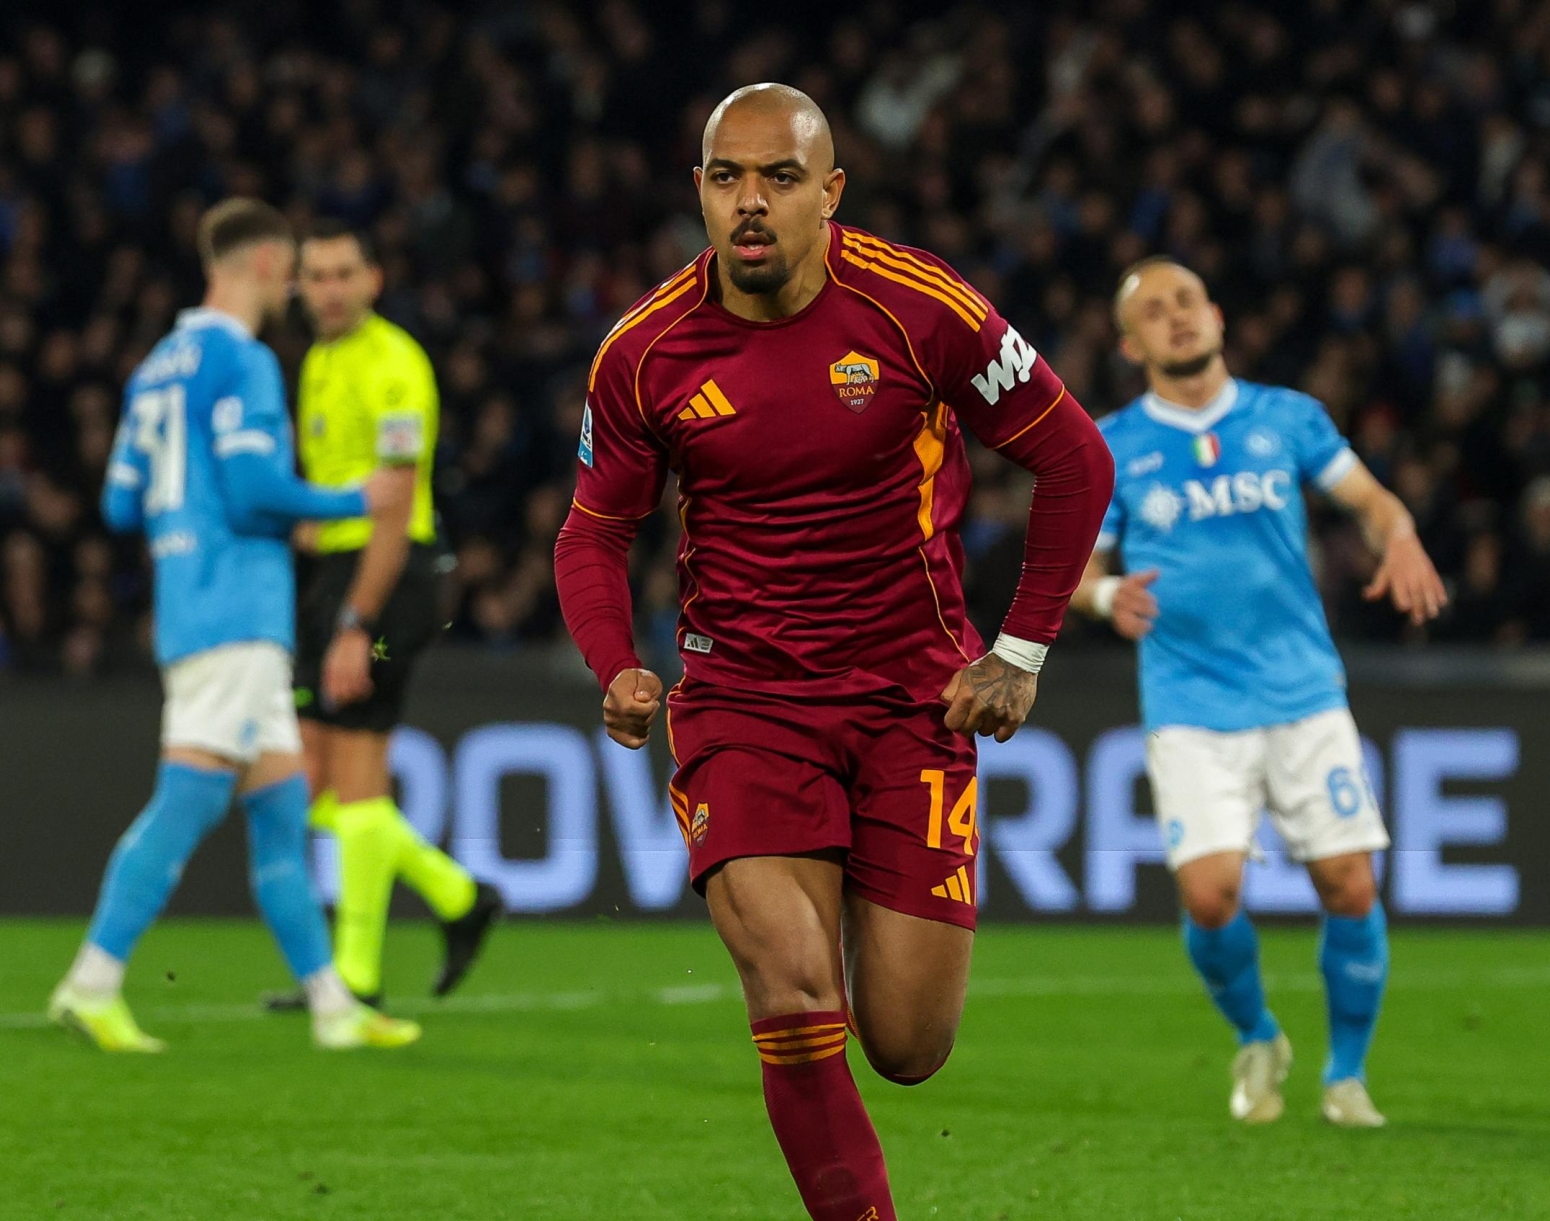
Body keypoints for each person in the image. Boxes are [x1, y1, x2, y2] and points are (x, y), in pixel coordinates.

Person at [553, 84, 1112, 1221]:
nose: (750, 204)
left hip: (915, 700)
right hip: (742, 702)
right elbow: (594, 528)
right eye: (727, 178)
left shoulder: (919, 308)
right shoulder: (643, 352)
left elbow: (1076, 461)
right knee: (793, 988)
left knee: (907, 1046)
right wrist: (615, 662)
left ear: (830, 193)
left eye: (780, 178)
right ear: (700, 192)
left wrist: (1020, 651)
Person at [1074, 257, 1446, 1128]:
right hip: (1190, 698)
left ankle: (1346, 1074)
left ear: (1216, 315)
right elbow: (1075, 571)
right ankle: (1258, 1032)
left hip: (1302, 689)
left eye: (1187, 302)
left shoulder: (1289, 418)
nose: (1176, 319)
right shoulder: (1113, 445)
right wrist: (1102, 596)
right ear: (1131, 344)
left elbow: (1372, 499)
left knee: (1350, 884)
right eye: (1154, 312)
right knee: (1210, 896)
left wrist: (1401, 535)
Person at [46, 199, 418, 1052]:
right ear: (261, 266)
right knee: (188, 798)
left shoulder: (154, 368)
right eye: (290, 272)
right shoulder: (242, 360)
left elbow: (116, 500)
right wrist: (350, 498)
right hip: (237, 611)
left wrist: (190, 527)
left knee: (283, 808)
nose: (292, 289)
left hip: (191, 597)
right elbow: (253, 489)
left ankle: (332, 1007)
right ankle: (91, 981)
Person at [261, 219, 502, 1014]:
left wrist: (358, 622)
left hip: (391, 577)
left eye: (342, 274)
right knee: (319, 776)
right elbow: (336, 490)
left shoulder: (395, 366)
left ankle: (355, 974)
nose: (328, 290)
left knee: (354, 772)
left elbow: (394, 507)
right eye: (315, 276)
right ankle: (457, 895)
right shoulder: (321, 362)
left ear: (373, 279)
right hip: (339, 573)